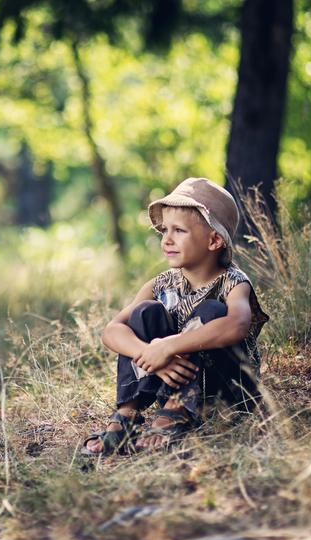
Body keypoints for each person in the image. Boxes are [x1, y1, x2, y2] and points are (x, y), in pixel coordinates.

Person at [81, 177, 269, 454]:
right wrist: (151, 356)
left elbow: (237, 325)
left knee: (213, 311)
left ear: (214, 240)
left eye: (179, 230)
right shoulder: (161, 284)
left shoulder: (233, 283)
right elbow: (112, 330)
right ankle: (127, 414)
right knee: (146, 312)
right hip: (171, 379)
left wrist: (167, 346)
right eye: (164, 230)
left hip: (226, 389)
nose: (166, 239)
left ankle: (177, 408)